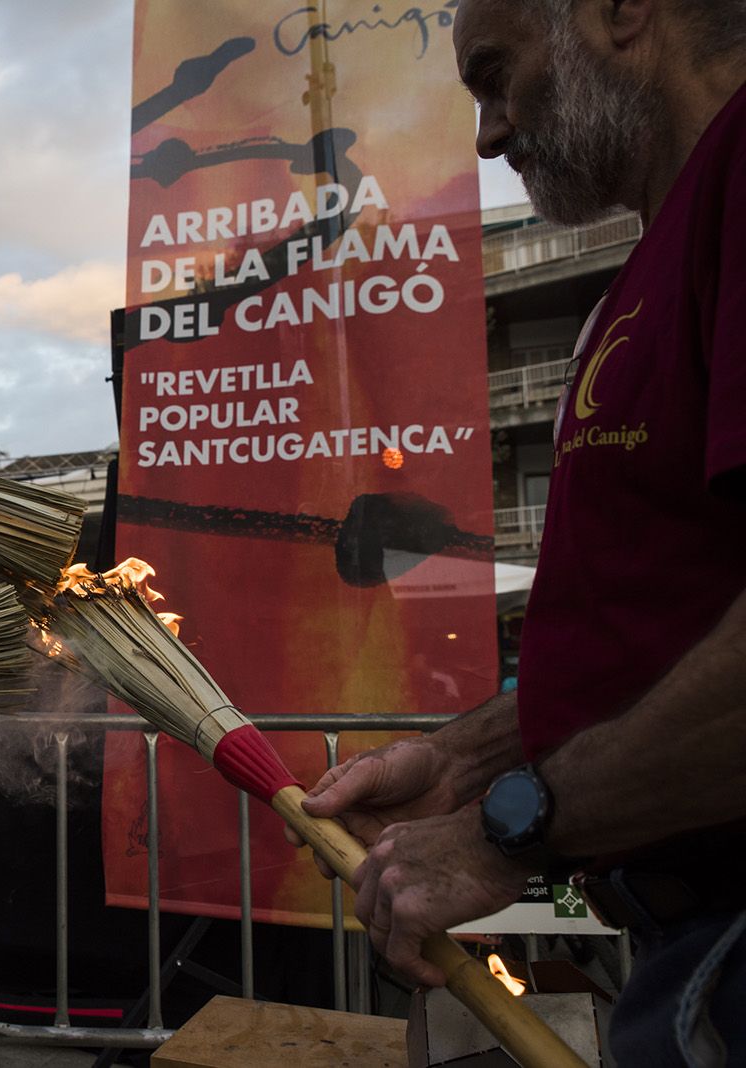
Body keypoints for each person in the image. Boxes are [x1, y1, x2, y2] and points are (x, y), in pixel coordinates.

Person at [287, 3, 746, 1064]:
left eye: (495, 75)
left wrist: (513, 828)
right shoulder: (657, 255)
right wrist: (467, 761)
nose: (488, 133)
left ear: (618, 11)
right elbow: (664, 629)